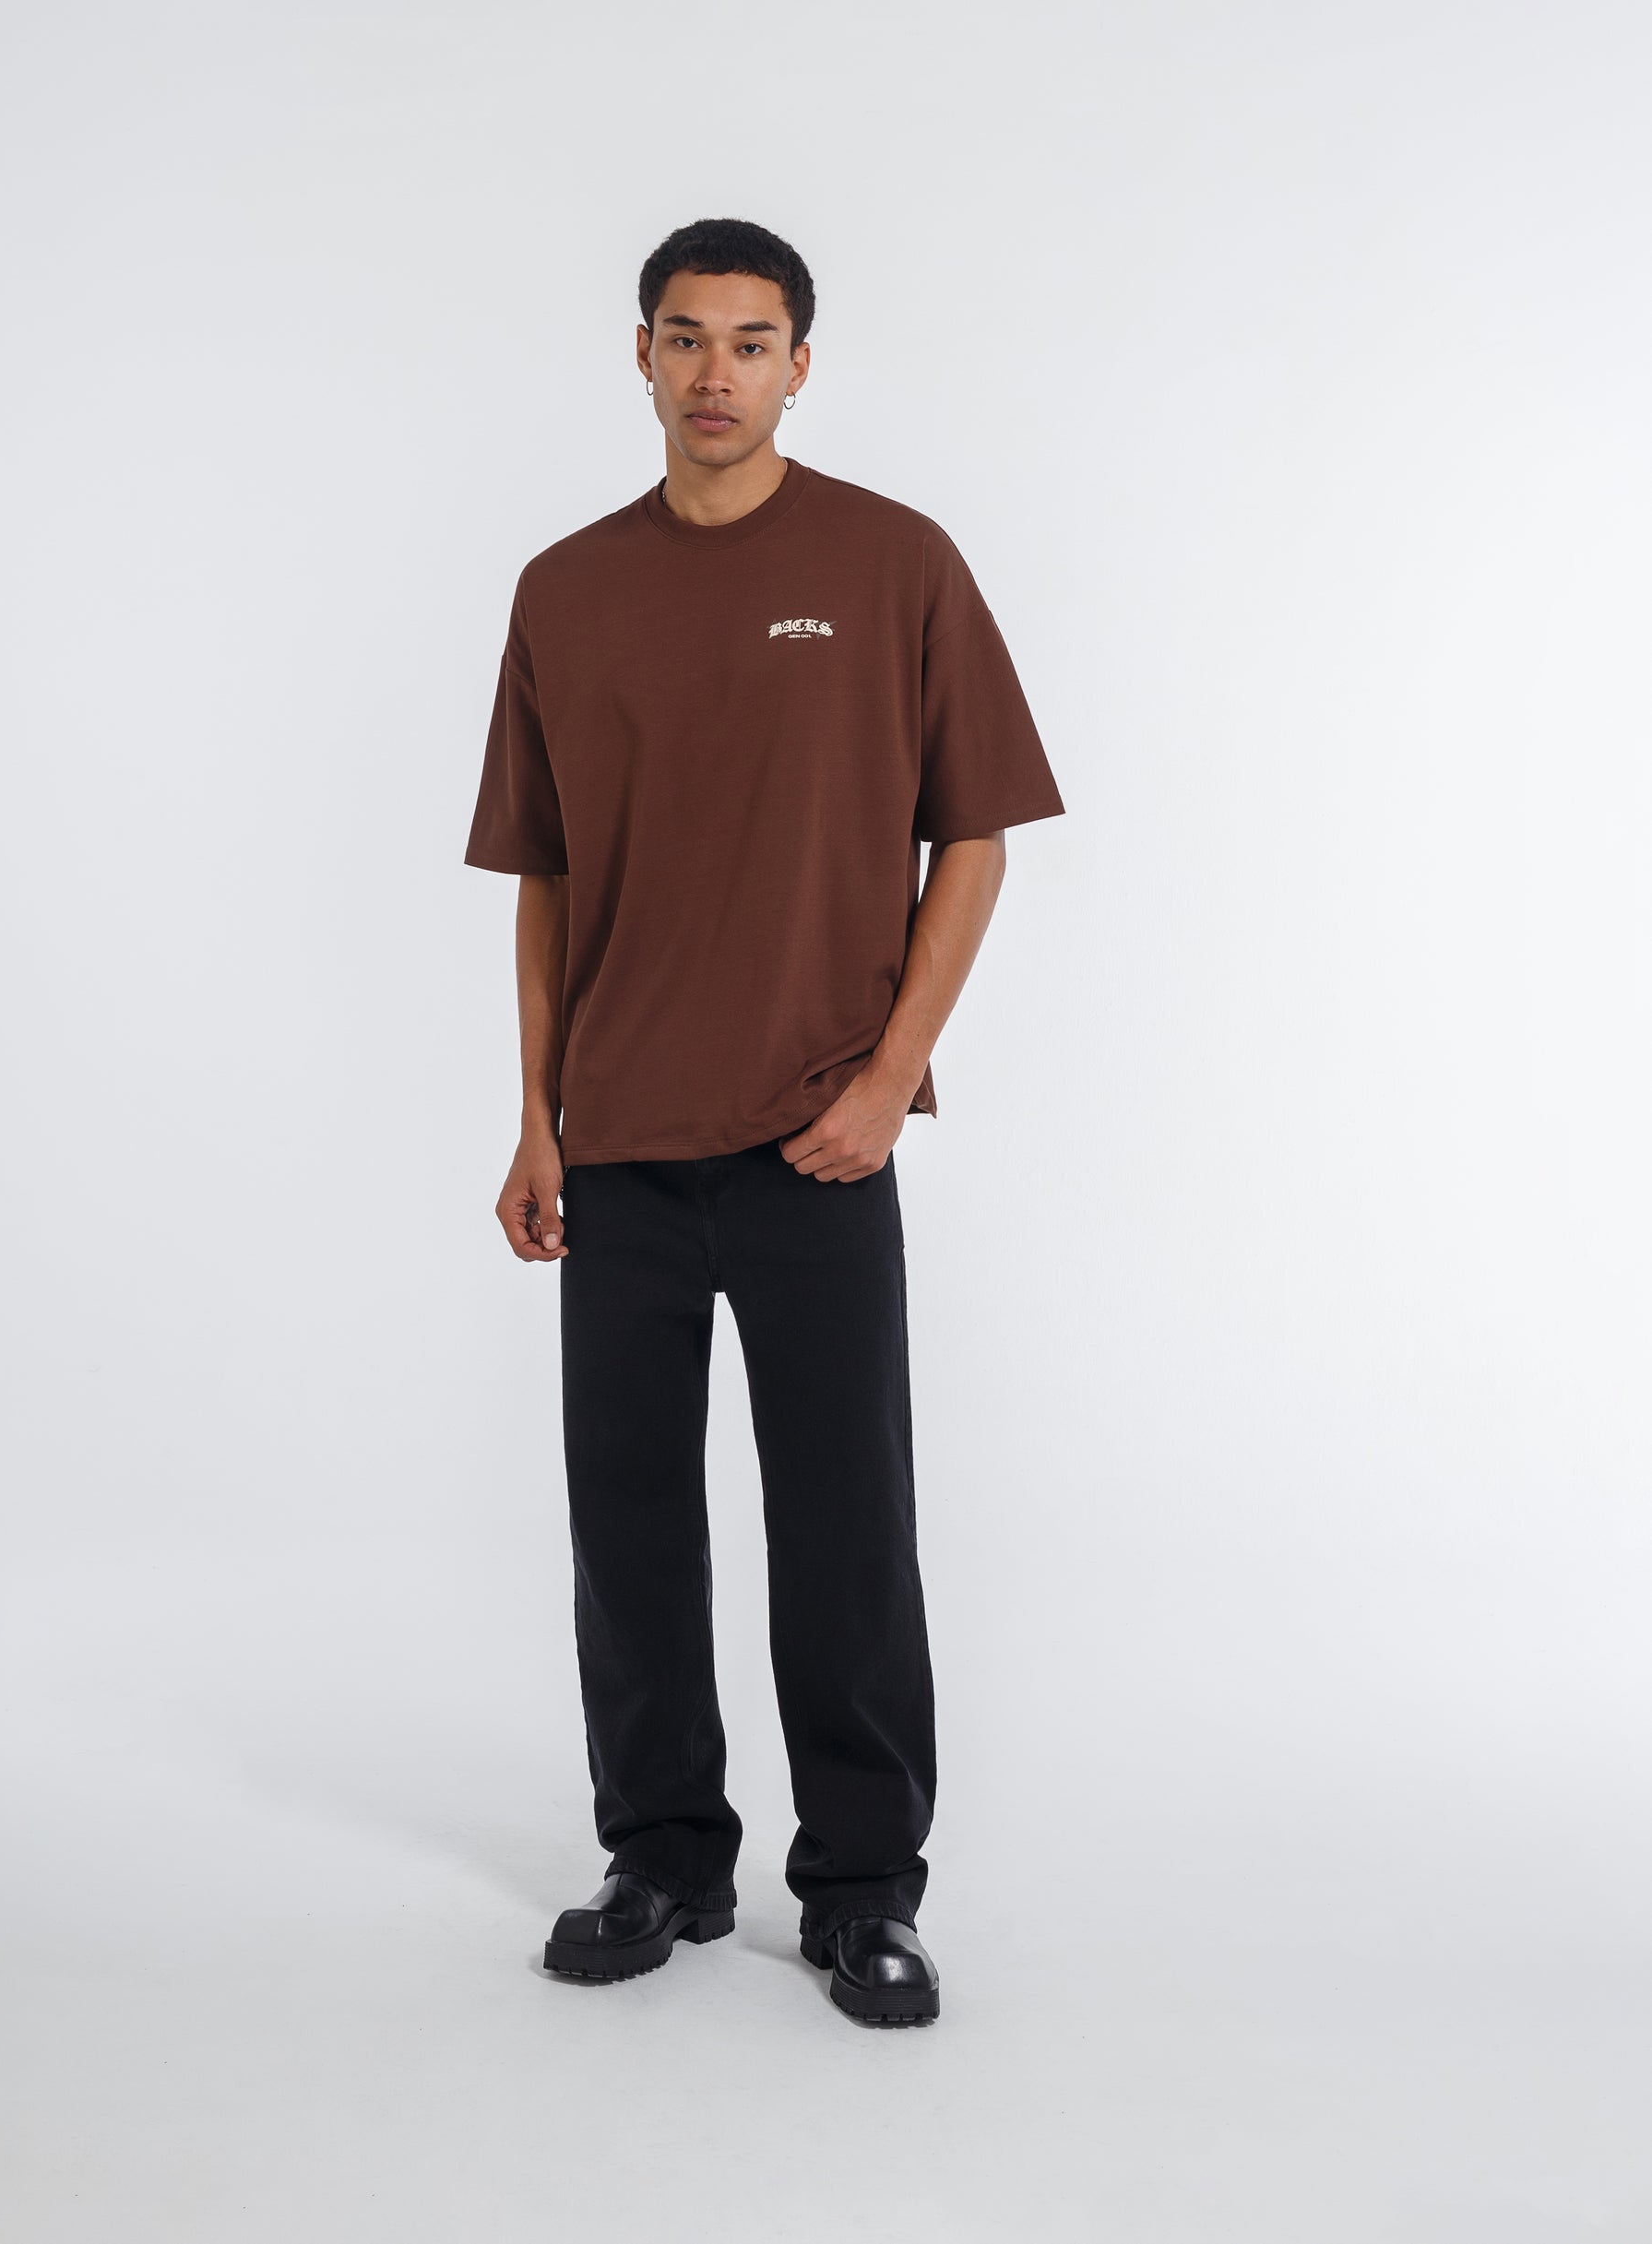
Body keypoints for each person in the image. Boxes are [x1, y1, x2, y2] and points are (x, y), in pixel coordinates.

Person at [463, 217, 1064, 2026]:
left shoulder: (893, 562)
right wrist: (535, 1117)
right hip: (620, 1146)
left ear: (800, 365)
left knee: (846, 1528)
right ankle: (660, 1857)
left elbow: (976, 835)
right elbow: (547, 877)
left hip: (818, 1139)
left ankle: (863, 1888)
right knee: (629, 1526)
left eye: (749, 340)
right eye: (684, 336)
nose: (714, 370)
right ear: (640, 356)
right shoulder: (565, 588)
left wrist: (887, 1078)